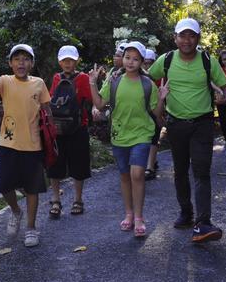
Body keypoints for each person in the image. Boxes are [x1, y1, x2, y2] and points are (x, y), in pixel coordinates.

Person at [148, 18, 226, 243]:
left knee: (202, 171)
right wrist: (157, 103)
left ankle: (203, 223)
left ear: (198, 38)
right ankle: (186, 213)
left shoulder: (207, 61)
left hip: (202, 124)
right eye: (182, 35)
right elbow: (146, 80)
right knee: (180, 171)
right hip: (176, 125)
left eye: (191, 35)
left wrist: (224, 97)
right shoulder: (166, 60)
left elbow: (225, 87)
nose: (187, 40)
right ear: (175, 38)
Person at [0, 44, 52, 248]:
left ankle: (31, 228)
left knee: (32, 189)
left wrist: (52, 134)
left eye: (26, 59)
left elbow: (47, 110)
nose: (21, 63)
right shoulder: (5, 81)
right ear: (10, 63)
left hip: (33, 145)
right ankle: (16, 211)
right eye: (17, 59)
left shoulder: (39, 83)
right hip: (8, 144)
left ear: (32, 63)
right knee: (4, 185)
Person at [88, 41, 167, 238]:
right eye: (127, 57)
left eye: (135, 59)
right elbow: (99, 103)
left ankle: (139, 217)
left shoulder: (148, 84)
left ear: (142, 62)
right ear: (123, 59)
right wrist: (92, 83)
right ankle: (129, 214)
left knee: (137, 174)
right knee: (124, 176)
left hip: (142, 134)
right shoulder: (113, 81)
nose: (131, 62)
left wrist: (162, 97)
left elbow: (157, 113)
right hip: (119, 135)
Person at [47, 45, 92, 219]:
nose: (67, 63)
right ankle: (56, 199)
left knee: (78, 165)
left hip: (78, 127)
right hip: (58, 128)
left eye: (71, 60)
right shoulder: (56, 78)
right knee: (55, 164)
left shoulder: (84, 78)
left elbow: (89, 99)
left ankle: (78, 200)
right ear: (59, 62)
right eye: (64, 60)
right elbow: (51, 99)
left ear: (77, 61)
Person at [143, 49, 162, 180]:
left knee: (154, 137)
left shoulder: (158, 77)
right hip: (141, 111)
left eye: (150, 63)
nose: (147, 66)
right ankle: (151, 162)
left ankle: (150, 167)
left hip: (154, 110)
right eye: (145, 63)